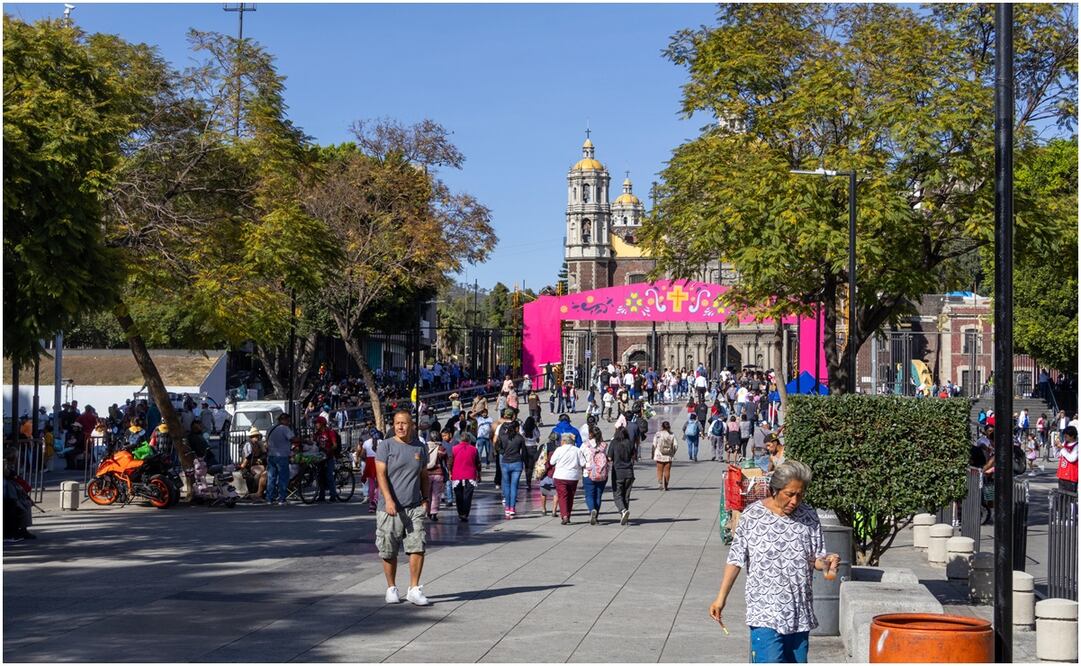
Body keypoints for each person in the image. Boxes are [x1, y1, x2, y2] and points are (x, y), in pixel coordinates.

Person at [709, 461, 839, 663]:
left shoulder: (809, 515)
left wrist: (827, 563)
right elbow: (735, 559)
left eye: (800, 494)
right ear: (774, 490)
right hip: (765, 612)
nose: (795, 501)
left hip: (799, 613)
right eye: (789, 494)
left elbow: (815, 558)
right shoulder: (753, 516)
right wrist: (721, 598)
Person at [375, 409, 431, 607]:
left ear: (412, 426)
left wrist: (426, 499)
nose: (400, 426)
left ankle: (414, 589)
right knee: (388, 549)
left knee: (418, 545)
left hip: (413, 506)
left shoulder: (420, 448)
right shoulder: (385, 446)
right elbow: (380, 475)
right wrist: (389, 500)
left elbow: (424, 476)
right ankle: (391, 587)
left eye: (404, 423)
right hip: (389, 508)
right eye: (397, 423)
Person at [549, 432, 588, 524]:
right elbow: (583, 463)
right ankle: (568, 514)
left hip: (560, 476)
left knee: (563, 496)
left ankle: (565, 515)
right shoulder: (577, 450)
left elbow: (551, 462)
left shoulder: (559, 450)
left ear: (564, 441)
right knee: (570, 496)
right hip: (573, 477)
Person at [498, 420, 527, 518]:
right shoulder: (520, 438)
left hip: (505, 462)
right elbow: (524, 452)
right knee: (514, 486)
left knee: (506, 485)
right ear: (516, 428)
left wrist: (504, 453)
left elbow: (498, 447)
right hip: (517, 463)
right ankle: (512, 508)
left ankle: (507, 507)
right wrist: (523, 461)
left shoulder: (503, 437)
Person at [266, 413, 297, 507]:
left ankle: (269, 498)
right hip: (282, 456)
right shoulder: (284, 428)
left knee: (271, 478)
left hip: (271, 455)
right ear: (284, 420)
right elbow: (293, 439)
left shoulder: (270, 428)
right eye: (288, 420)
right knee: (283, 478)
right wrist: (304, 440)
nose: (289, 423)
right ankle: (281, 499)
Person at [607, 425, 636, 525]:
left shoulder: (614, 442)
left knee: (617, 494)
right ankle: (625, 515)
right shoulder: (629, 442)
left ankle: (623, 511)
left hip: (618, 472)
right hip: (629, 472)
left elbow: (609, 457)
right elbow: (633, 455)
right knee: (626, 495)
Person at [582, 427, 610, 525]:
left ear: (590, 434)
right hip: (602, 473)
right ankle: (596, 516)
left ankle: (592, 510)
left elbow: (581, 460)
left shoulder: (585, 445)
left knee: (589, 495)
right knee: (598, 495)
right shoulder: (604, 445)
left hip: (588, 473)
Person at [451, 433, 481, 521]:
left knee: (458, 495)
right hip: (470, 474)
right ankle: (465, 513)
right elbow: (478, 463)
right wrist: (479, 473)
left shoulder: (454, 449)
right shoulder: (474, 450)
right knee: (468, 495)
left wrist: (449, 471)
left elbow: (450, 461)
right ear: (469, 440)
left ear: (460, 440)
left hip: (457, 474)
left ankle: (460, 512)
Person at [312, 416, 341, 502]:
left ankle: (333, 495)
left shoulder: (330, 432)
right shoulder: (317, 434)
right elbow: (314, 443)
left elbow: (335, 445)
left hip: (329, 457)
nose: (316, 425)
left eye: (317, 423)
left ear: (322, 424)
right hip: (320, 458)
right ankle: (321, 496)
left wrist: (329, 449)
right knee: (320, 476)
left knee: (329, 476)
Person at [424, 430, 449, 522]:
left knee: (427, 494)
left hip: (426, 474)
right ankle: (434, 513)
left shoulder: (425, 447)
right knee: (436, 495)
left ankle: (427, 512)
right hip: (438, 474)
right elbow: (446, 461)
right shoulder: (441, 448)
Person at [239, 427, 268, 502]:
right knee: (258, 475)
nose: (257, 438)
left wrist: (261, 459)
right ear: (251, 437)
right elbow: (247, 458)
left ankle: (259, 492)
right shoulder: (248, 445)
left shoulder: (259, 444)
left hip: (257, 464)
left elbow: (264, 454)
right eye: (255, 436)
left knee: (263, 473)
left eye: (257, 436)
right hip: (249, 465)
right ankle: (255, 493)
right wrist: (243, 467)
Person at [652, 421, 677, 491]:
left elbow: (654, 444)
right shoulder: (672, 435)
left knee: (659, 470)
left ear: (662, 427)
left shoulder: (658, 434)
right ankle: (666, 485)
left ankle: (660, 482)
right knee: (667, 470)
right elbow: (675, 445)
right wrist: (673, 452)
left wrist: (652, 453)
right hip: (668, 455)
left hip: (659, 454)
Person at [360, 429, 379, 513]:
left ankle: (371, 503)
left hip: (370, 463)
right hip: (379, 463)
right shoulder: (382, 442)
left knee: (371, 484)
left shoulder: (366, 443)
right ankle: (376, 499)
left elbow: (362, 454)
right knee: (380, 484)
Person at [521, 415, 540, 491]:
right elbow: (538, 436)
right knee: (531, 466)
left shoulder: (523, 428)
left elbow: (521, 434)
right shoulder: (534, 428)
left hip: (525, 448)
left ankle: (527, 480)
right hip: (533, 447)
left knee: (526, 465)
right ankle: (529, 480)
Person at [1057, 425, 1078, 493]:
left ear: (1072, 436)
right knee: (1061, 496)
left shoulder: (1077, 446)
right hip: (1062, 474)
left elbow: (1072, 458)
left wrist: (1062, 449)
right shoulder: (1065, 443)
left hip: (1071, 476)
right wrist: (1058, 447)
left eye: (1066, 436)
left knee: (1070, 498)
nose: (1065, 438)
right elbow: (1059, 455)